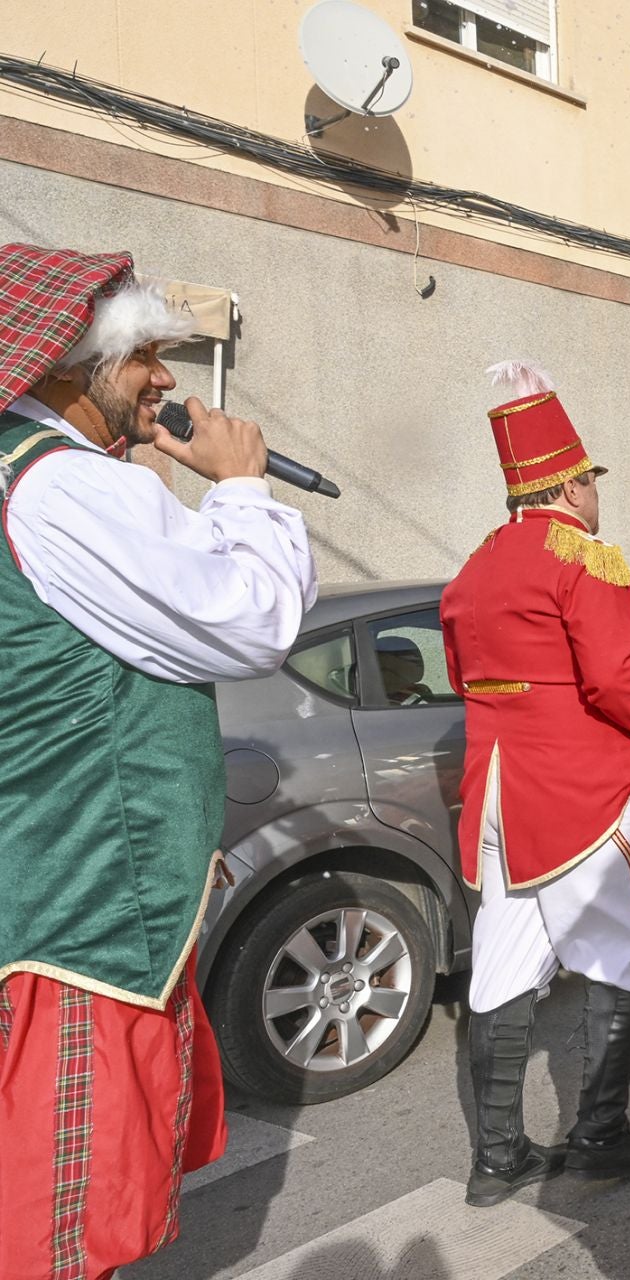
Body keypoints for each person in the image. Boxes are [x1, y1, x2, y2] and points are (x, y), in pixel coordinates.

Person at [0, 244, 316, 1278]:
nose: (165, 381)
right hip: (79, 906)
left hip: (46, 876)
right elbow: (250, 622)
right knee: (65, 1215)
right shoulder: (67, 490)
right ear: (61, 363)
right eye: (141, 356)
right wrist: (241, 485)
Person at [440, 361, 630, 1208]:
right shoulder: (587, 558)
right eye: (593, 482)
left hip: (497, 791)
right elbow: (618, 683)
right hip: (576, 788)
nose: (597, 496)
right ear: (572, 486)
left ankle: (497, 1157)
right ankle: (600, 1134)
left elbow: (467, 675)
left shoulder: (473, 569)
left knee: (503, 965)